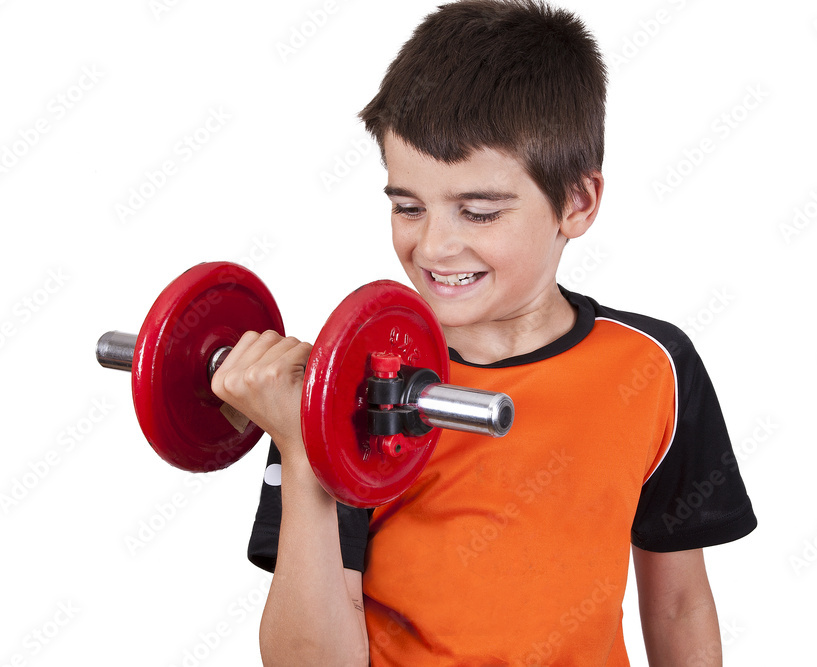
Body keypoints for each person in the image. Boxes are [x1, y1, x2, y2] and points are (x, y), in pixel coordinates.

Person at [211, 1, 757, 664]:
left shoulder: (653, 366)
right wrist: (304, 452)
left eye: (477, 211)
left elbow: (677, 603)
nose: (436, 246)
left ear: (577, 203)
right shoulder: (348, 383)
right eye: (408, 206)